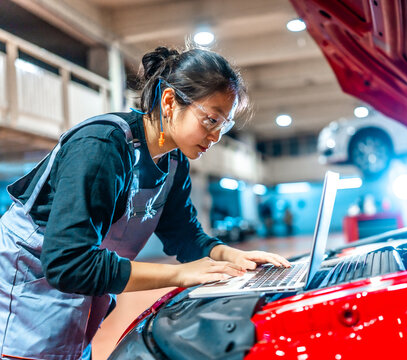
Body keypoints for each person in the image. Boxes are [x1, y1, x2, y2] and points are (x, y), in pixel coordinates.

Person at [0, 46, 290, 359]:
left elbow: (185, 235)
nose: (216, 136)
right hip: (23, 299)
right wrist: (182, 274)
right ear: (168, 102)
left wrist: (231, 256)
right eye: (210, 120)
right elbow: (68, 264)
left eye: (224, 125)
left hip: (75, 301)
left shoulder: (174, 161)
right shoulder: (102, 146)